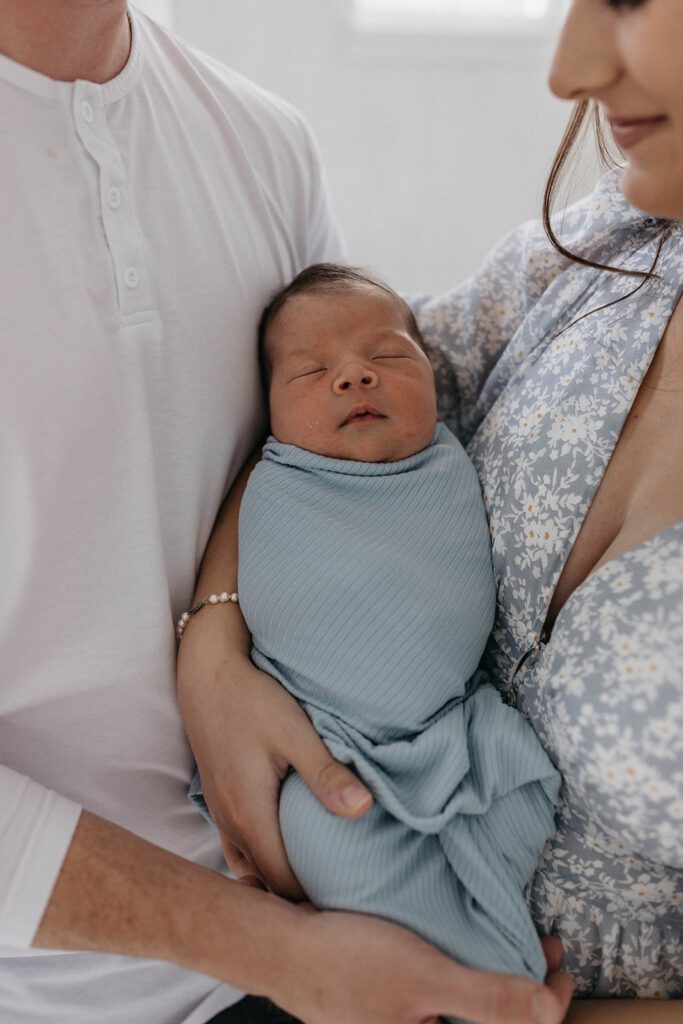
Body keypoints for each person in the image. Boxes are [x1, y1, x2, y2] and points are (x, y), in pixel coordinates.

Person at [0, 3, 575, 1024]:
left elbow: (312, 463)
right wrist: (279, 951)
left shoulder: (262, 141)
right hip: (74, 990)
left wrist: (207, 634)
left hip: (345, 944)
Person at [178, 1, 683, 1021]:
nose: (565, 69)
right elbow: (325, 412)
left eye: (626, 0)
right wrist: (212, 642)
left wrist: (498, 1007)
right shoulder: (611, 237)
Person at [186, 263, 561, 995]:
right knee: (329, 842)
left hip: (459, 732)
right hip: (330, 741)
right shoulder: (276, 478)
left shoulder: (450, 454)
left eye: (388, 356)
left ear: (432, 372)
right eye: (312, 371)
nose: (355, 376)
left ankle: (488, 959)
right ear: (267, 414)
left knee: (526, 788)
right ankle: (469, 984)